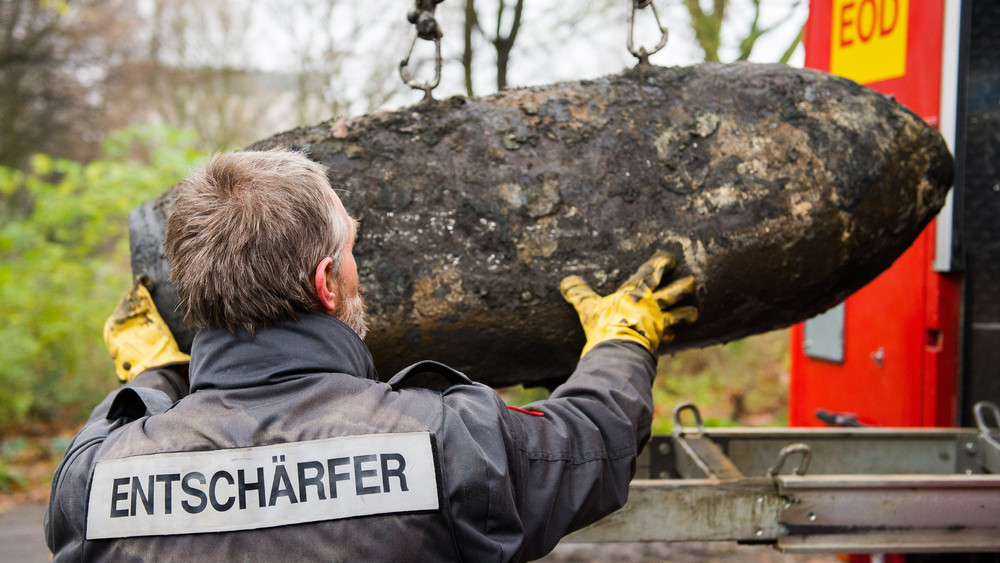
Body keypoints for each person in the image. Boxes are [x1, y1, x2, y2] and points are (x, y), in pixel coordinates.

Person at [45, 148, 697, 561]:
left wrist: (156, 376)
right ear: (327, 282)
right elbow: (590, 440)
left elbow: (111, 443)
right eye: (352, 249)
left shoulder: (93, 479)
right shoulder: (450, 441)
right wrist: (622, 339)